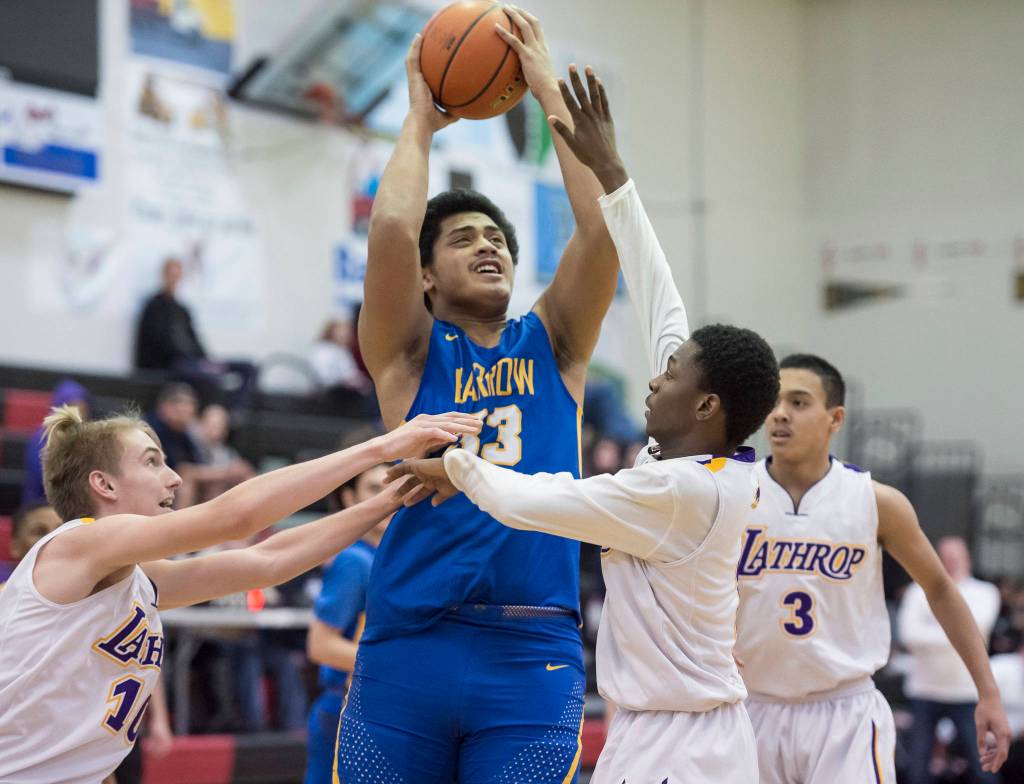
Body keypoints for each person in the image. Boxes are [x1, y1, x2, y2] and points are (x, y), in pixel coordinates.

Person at [387, 66, 779, 784]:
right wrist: (614, 173)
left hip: (684, 743)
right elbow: (657, 291)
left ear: (705, 406)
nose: (654, 378)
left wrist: (457, 466)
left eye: (670, 375)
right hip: (652, 728)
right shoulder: (694, 453)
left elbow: (541, 499)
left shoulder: (682, 492)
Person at [337, 8, 620, 781]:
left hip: (532, 648)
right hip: (409, 641)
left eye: (496, 238)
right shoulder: (407, 353)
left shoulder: (554, 340)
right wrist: (420, 123)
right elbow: (391, 233)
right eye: (463, 239)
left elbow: (603, 231)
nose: (487, 244)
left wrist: (545, 87)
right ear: (427, 278)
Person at [0, 404, 479, 783]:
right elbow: (235, 517)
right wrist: (381, 447)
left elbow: (268, 560)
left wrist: (396, 495)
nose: (174, 477)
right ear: (103, 484)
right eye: (152, 462)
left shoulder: (139, 579)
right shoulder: (77, 544)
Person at [733, 353, 1012, 782]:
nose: (780, 414)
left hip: (844, 713)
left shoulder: (876, 501)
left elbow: (940, 588)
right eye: (774, 401)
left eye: (799, 402)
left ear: (835, 418)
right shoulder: (732, 495)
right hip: (751, 707)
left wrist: (987, 691)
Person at [304, 460, 389, 784]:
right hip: (345, 706)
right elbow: (320, 645)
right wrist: (401, 665)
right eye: (373, 488)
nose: (386, 495)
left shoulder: (389, 557)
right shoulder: (354, 560)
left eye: (391, 485)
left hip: (379, 706)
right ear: (349, 497)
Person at [899, 536, 1002, 783]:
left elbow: (978, 629)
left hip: (967, 691)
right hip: (924, 689)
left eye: (956, 556)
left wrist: (934, 633)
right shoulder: (917, 591)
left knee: (982, 766)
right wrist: (960, 634)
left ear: (968, 558)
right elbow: (909, 635)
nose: (951, 561)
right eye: (946, 556)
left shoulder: (985, 592)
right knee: (917, 768)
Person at [133, 257, 256, 406]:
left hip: (194, 363)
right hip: (172, 365)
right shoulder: (153, 307)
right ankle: (217, 412)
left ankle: (236, 411)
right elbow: (161, 343)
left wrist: (206, 361)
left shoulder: (182, 309)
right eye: (171, 274)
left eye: (177, 275)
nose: (174, 279)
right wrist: (197, 363)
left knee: (248, 368)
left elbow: (195, 339)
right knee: (210, 379)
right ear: (164, 275)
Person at [21, 379, 91, 504]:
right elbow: (42, 476)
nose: (79, 415)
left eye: (82, 409)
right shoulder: (42, 436)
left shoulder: (87, 435)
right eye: (73, 408)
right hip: (42, 502)